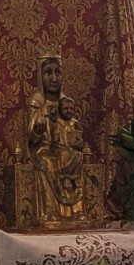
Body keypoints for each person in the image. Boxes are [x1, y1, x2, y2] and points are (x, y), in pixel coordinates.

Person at [27, 56, 84, 224]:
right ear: (40, 76)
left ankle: (76, 211)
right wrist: (38, 127)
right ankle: (51, 211)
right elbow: (31, 135)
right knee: (48, 162)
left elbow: (73, 127)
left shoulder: (65, 102)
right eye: (48, 73)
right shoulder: (38, 101)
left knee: (76, 158)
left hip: (63, 149)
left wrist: (77, 141)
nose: (53, 78)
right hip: (43, 149)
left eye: (58, 72)